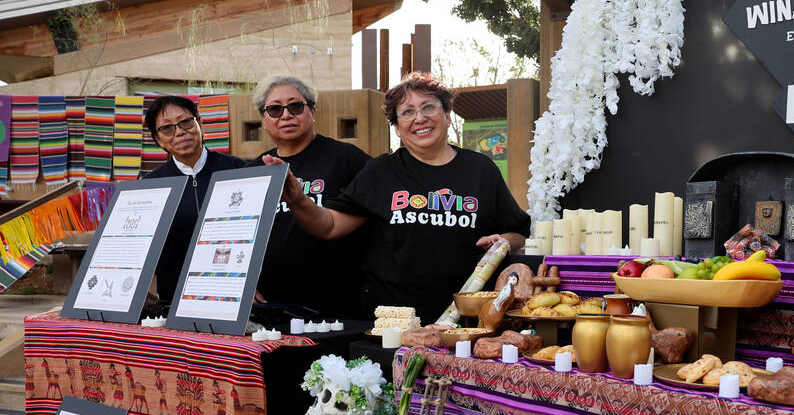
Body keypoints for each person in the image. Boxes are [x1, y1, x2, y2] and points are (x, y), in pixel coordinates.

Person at [264, 72, 529, 324]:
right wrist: (298, 200)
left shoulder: (480, 169)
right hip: (393, 322)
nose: (420, 118)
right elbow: (330, 225)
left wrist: (503, 242)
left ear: (447, 115)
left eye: (429, 107)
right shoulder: (381, 171)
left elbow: (517, 231)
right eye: (407, 112)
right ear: (397, 127)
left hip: (464, 319)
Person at [248, 76, 370, 317]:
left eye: (295, 106)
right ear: (264, 119)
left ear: (312, 111)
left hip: (337, 303)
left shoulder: (349, 159)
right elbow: (235, 235)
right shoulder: (254, 170)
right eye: (274, 109)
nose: (286, 115)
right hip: (271, 306)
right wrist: (239, 284)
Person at [141, 95, 245, 306]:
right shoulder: (151, 186)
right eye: (167, 128)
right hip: (175, 297)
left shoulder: (238, 169)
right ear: (158, 139)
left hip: (235, 294)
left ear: (200, 123)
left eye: (186, 122)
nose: (179, 132)